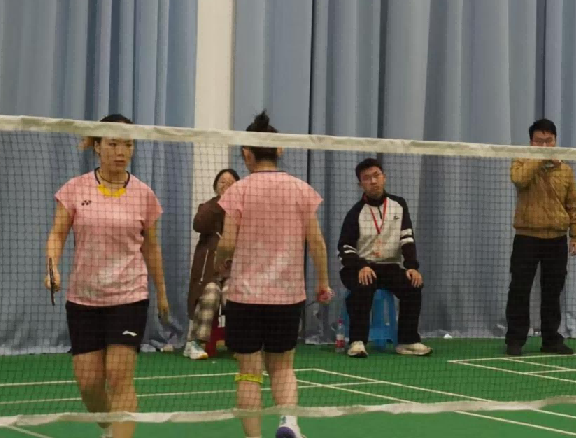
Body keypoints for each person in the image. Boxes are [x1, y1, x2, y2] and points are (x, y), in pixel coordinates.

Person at [44, 114, 170, 438]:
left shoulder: (143, 194)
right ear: (97, 146)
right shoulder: (75, 188)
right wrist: (52, 266)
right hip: (84, 299)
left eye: (127, 144)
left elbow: (151, 247)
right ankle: (108, 426)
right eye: (113, 143)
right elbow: (57, 234)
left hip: (129, 296)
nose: (121, 151)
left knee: (119, 376)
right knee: (88, 384)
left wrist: (162, 293)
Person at [215, 111, 332, 438]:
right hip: (287, 296)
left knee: (249, 373)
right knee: (282, 367)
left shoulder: (237, 191)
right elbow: (316, 242)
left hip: (245, 297)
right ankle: (289, 423)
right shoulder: (301, 189)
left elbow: (227, 243)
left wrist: (220, 263)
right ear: (279, 149)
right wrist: (323, 282)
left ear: (246, 154)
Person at [338, 158, 431, 358]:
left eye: (376, 176)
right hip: (359, 267)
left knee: (413, 284)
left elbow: (407, 238)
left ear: (384, 177)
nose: (373, 181)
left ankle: (407, 341)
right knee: (363, 285)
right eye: (367, 178)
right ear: (360, 184)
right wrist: (360, 266)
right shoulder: (355, 213)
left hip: (389, 267)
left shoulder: (399, 205)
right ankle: (357, 341)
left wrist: (412, 266)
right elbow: (344, 248)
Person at [505, 118, 576, 357]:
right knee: (519, 289)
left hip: (557, 239)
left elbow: (573, 204)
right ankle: (515, 340)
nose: (545, 145)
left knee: (553, 291)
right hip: (527, 237)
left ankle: (551, 339)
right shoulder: (521, 161)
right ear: (531, 141)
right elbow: (519, 180)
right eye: (540, 141)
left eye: (549, 141)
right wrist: (539, 159)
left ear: (555, 141)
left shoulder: (565, 170)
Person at [184, 167, 241, 360]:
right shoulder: (208, 207)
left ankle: (240, 344)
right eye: (222, 182)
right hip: (210, 275)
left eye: (231, 183)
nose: (226, 186)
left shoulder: (243, 211)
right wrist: (221, 202)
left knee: (233, 294)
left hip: (236, 275)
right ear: (215, 186)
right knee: (211, 292)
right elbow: (198, 224)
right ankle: (195, 343)